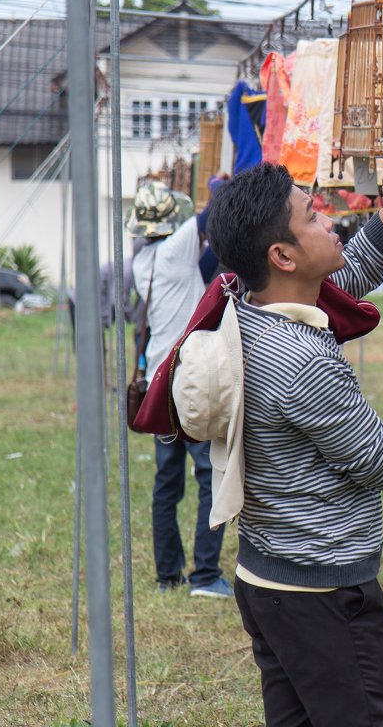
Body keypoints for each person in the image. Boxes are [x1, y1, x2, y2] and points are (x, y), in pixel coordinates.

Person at [206, 123, 383, 726]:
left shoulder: (253, 305)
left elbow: (355, 267)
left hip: (270, 576)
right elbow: (382, 458)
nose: (328, 217)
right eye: (312, 216)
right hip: (321, 594)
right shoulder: (300, 361)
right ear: (283, 255)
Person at [129, 182, 231, 598]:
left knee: (166, 483)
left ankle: (166, 576)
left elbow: (206, 267)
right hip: (186, 381)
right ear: (172, 222)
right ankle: (205, 575)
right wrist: (217, 186)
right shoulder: (178, 247)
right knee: (209, 473)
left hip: (156, 382)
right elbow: (215, 210)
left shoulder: (144, 261)